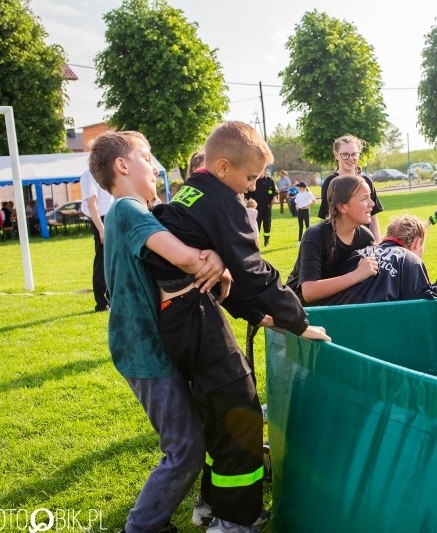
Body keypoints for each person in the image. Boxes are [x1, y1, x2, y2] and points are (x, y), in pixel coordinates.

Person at [146, 121, 330, 533]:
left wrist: (257, 315)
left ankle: (212, 504)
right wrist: (297, 320)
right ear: (223, 167)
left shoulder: (190, 192)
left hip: (177, 317)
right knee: (241, 412)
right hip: (193, 315)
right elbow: (252, 270)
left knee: (217, 412)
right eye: (250, 178)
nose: (252, 187)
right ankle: (235, 522)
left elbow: (224, 275)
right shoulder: (223, 201)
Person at [88, 130, 226, 533]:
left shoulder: (135, 210)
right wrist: (220, 257)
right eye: (146, 157)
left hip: (157, 345)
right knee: (185, 450)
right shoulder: (127, 209)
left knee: (193, 438)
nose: (154, 167)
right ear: (122, 165)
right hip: (144, 350)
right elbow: (188, 260)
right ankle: (142, 527)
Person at [325, 214, 437, 306]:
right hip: (369, 328)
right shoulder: (411, 260)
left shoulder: (358, 253)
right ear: (418, 243)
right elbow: (424, 299)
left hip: (333, 321)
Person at [289, 174, 379, 304]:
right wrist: (356, 275)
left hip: (336, 306)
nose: (372, 204)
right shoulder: (316, 235)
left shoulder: (366, 237)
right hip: (298, 308)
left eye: (370, 197)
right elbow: (309, 292)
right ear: (342, 207)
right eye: (364, 198)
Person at [317, 134, 384, 242]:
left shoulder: (366, 181)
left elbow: (373, 216)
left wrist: (377, 243)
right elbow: (329, 217)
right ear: (336, 155)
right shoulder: (331, 182)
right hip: (342, 243)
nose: (350, 158)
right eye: (345, 154)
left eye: (354, 154)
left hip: (365, 241)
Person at [81, 168, 115, 312]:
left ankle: (112, 299)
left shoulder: (108, 170)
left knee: (113, 261)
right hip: (101, 220)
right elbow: (91, 205)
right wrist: (101, 229)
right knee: (102, 261)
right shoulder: (89, 175)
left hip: (112, 215)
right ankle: (101, 303)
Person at [245, 167, 276, 246]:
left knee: (267, 224)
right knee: (256, 223)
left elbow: (275, 191)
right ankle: (255, 240)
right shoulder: (254, 181)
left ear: (264, 171)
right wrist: (246, 200)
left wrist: (274, 197)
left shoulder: (269, 180)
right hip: (256, 207)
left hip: (267, 206)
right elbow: (248, 192)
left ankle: (266, 241)